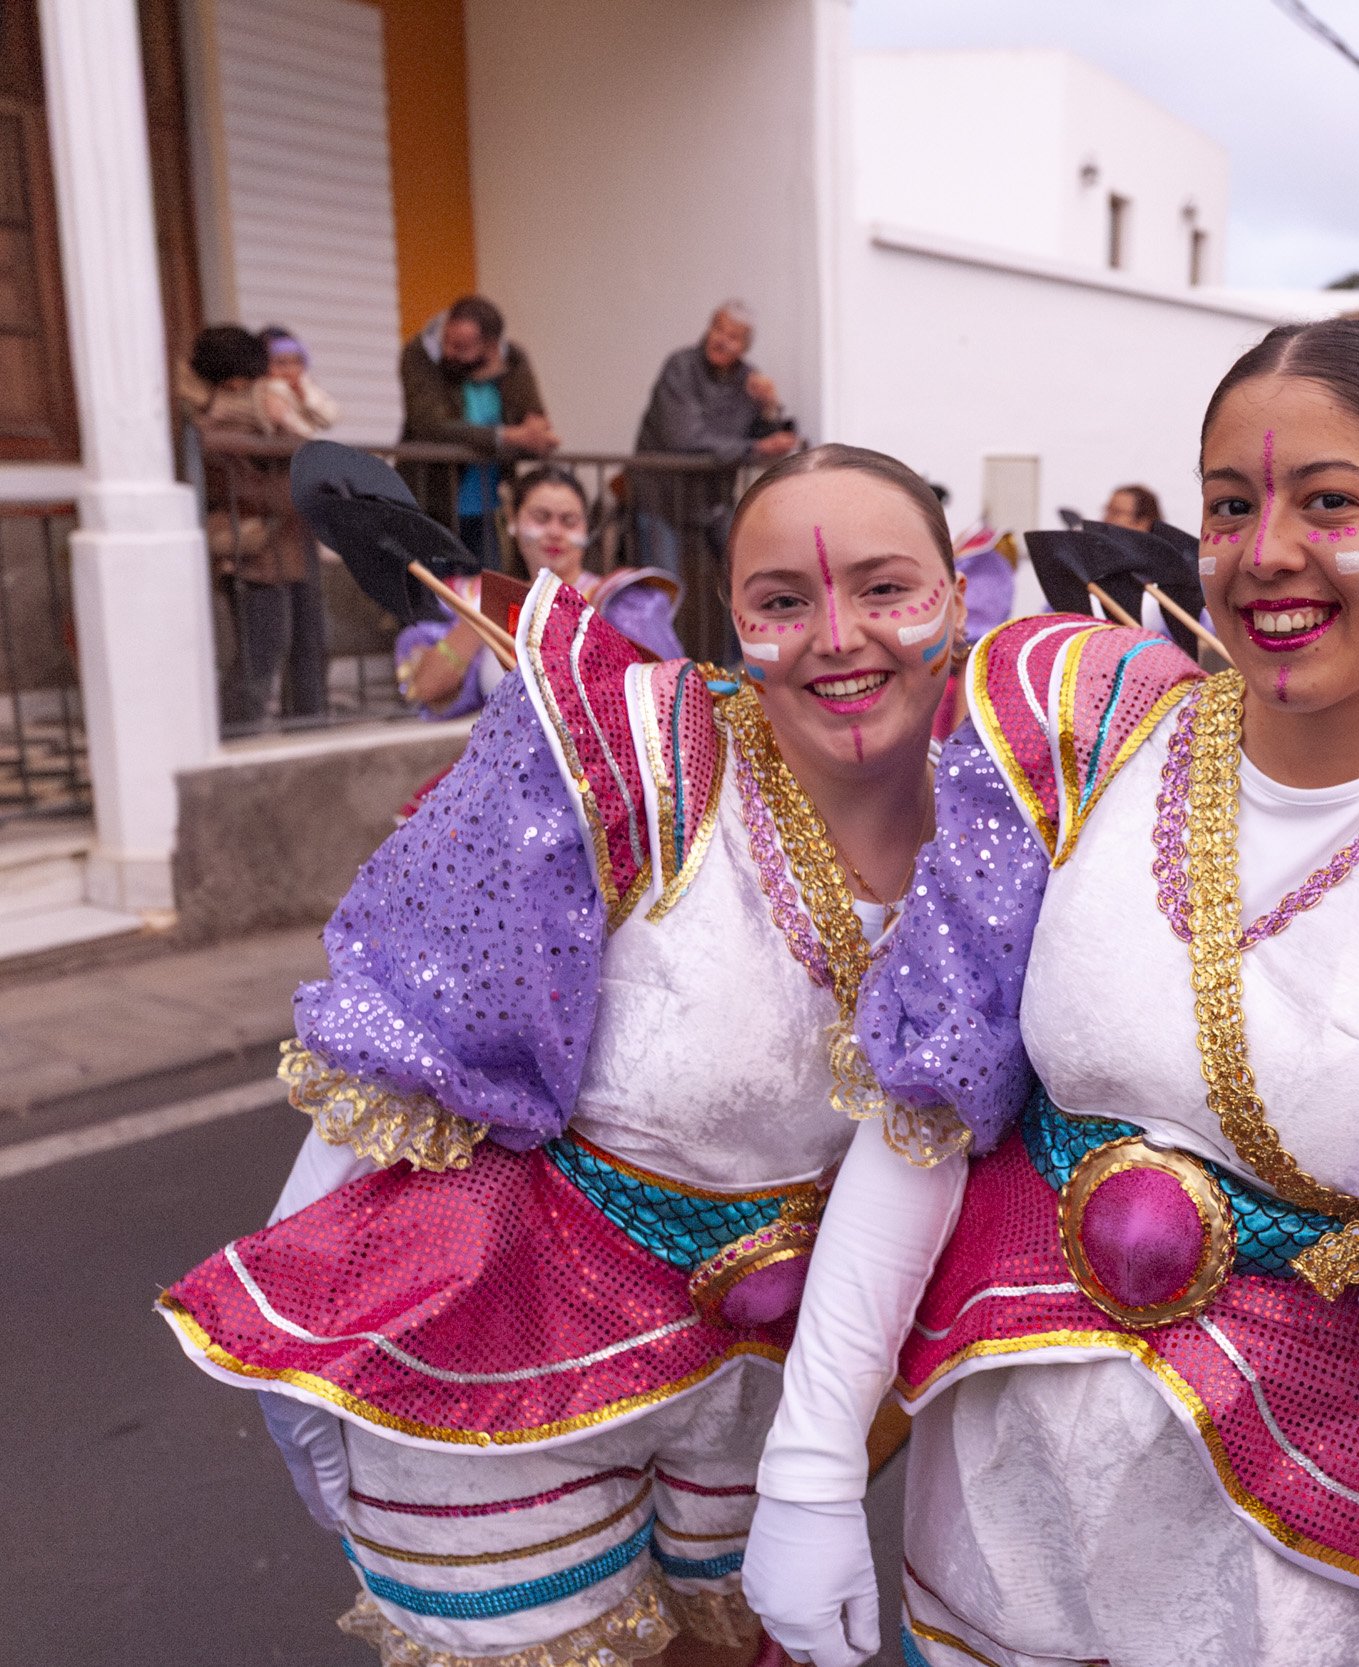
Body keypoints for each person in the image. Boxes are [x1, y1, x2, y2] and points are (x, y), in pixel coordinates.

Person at [742, 317, 1359, 1667]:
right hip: (987, 1527)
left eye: (1332, 502)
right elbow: (921, 1115)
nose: (1267, 551)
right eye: (1229, 503)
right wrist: (806, 1467)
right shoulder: (1076, 733)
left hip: (1289, 1583)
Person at [157, 444, 966, 1667]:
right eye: (782, 602)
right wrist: (305, 1323)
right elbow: (421, 1044)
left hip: (774, 1374)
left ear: (957, 600)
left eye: (886, 587)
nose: (835, 637)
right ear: (731, 619)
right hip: (511, 1346)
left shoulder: (1011, 811)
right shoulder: (632, 756)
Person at [396, 467, 684, 719]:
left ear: (586, 529)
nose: (555, 532)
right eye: (541, 517)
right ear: (513, 519)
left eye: (569, 521)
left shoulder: (617, 601)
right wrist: (482, 615)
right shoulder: (472, 596)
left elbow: (665, 696)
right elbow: (424, 689)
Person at [187, 324, 329, 728]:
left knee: (309, 642)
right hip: (249, 551)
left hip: (290, 542)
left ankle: (309, 726)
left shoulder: (264, 411)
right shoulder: (210, 424)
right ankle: (236, 734)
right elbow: (254, 488)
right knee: (261, 649)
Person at [632, 301, 804, 576]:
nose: (721, 340)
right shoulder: (680, 367)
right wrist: (755, 448)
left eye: (733, 337)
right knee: (663, 588)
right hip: (661, 497)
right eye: (718, 329)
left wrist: (769, 405)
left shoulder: (748, 378)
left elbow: (769, 438)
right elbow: (684, 440)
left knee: (746, 576)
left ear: (745, 347)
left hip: (713, 501)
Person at [398, 294, 558, 565]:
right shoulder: (420, 354)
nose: (449, 352)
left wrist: (536, 435)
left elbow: (534, 420)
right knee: (434, 589)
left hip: (488, 503)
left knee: (486, 589)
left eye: (461, 347)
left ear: (491, 347)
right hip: (432, 498)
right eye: (447, 340)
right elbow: (429, 425)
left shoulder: (513, 359)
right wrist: (508, 436)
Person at [256, 326, 339, 439]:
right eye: (281, 363)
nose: (290, 370)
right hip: (279, 450)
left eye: (296, 362)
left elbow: (330, 417)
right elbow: (300, 430)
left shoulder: (305, 385)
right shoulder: (267, 390)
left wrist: (306, 396)